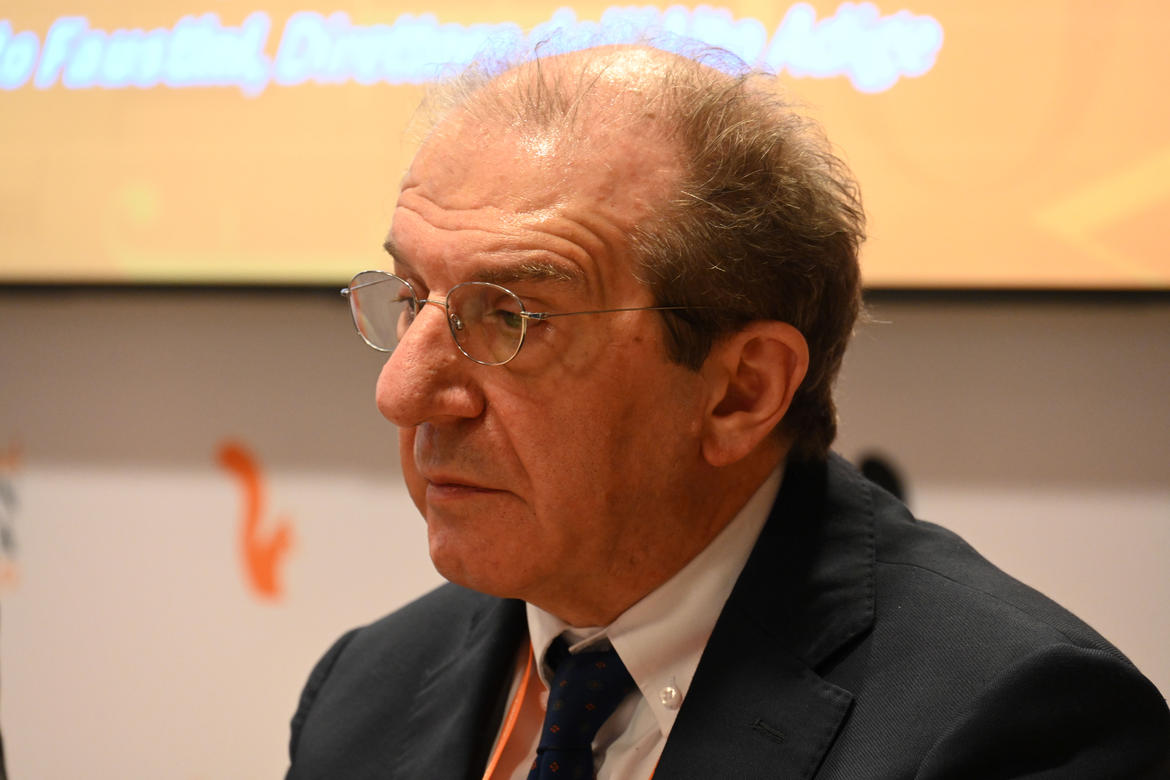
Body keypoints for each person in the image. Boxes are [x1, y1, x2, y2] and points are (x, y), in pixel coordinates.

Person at [285, 40, 1170, 779]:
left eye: (513, 318)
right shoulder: (365, 694)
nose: (401, 393)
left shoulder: (1013, 732)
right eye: (411, 297)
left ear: (742, 391)